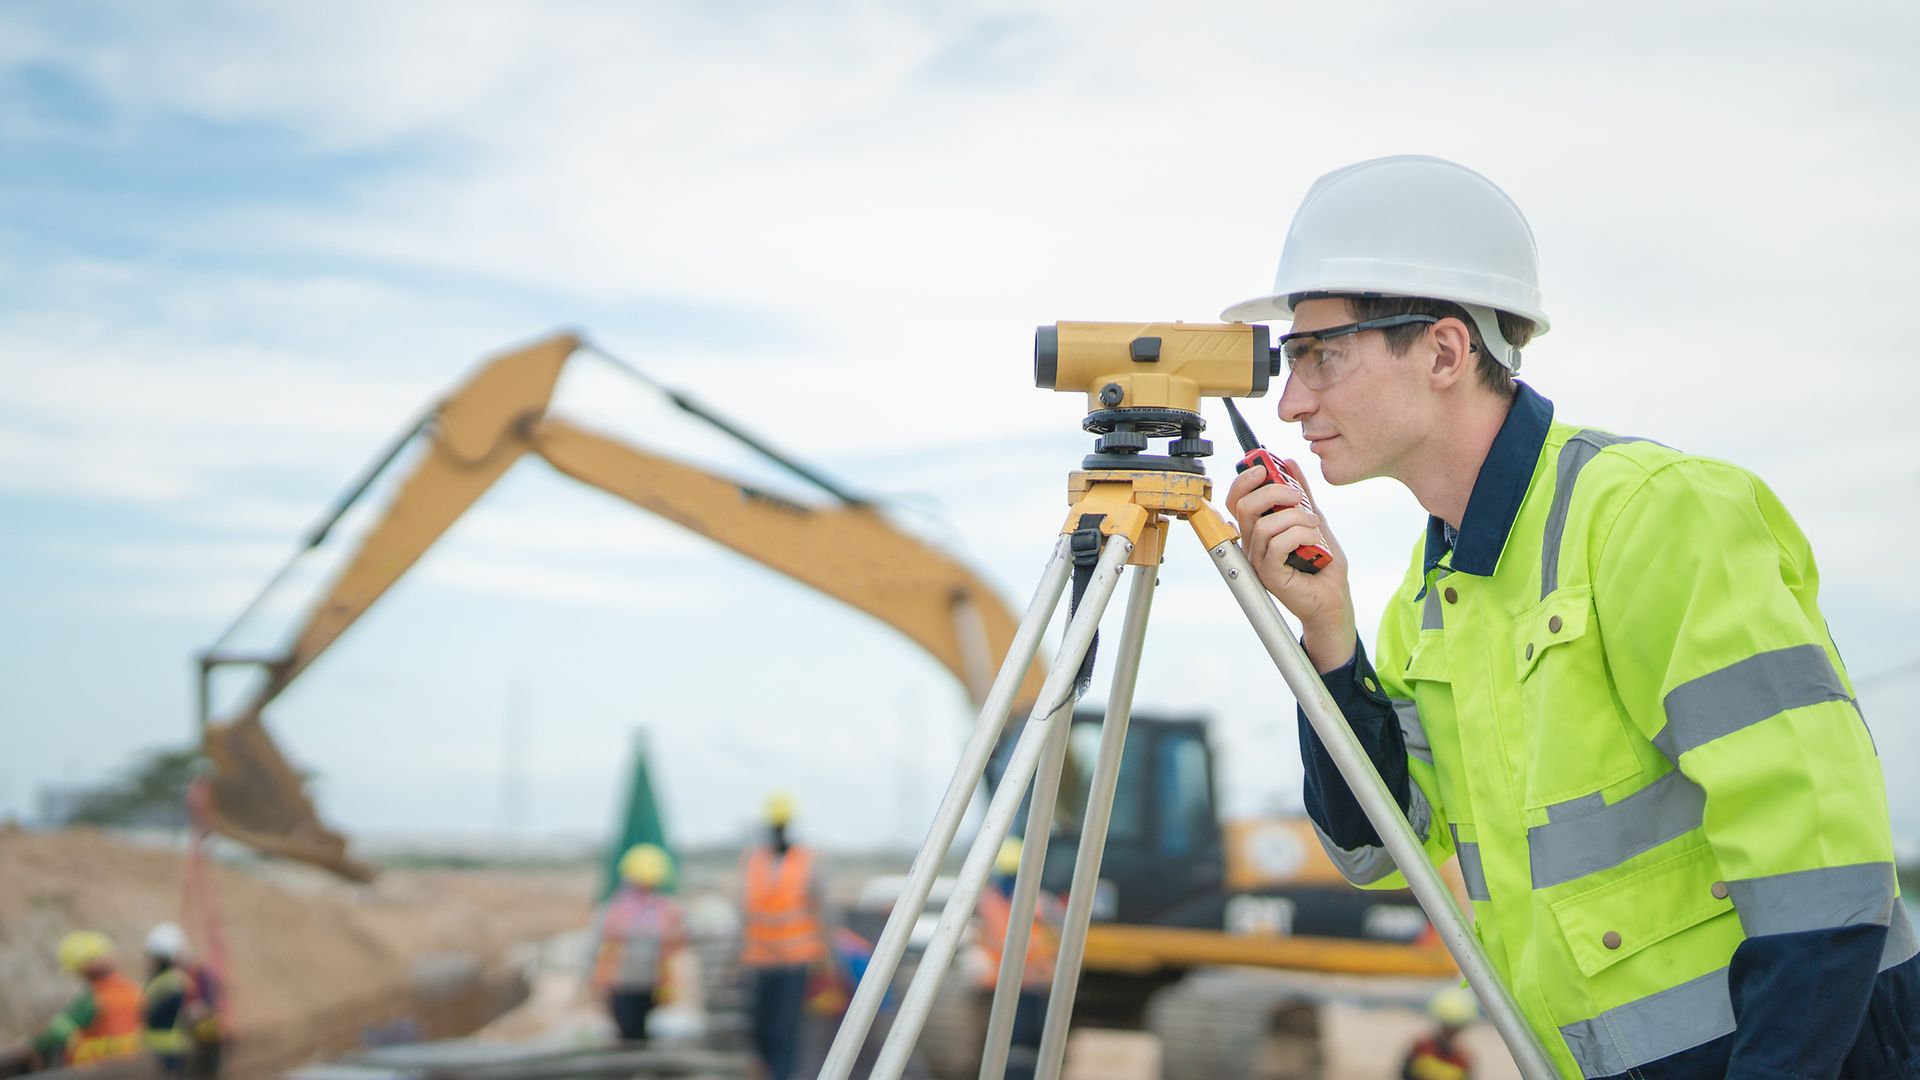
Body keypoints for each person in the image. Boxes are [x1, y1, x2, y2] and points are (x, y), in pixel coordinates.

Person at [1220, 155, 1919, 1078]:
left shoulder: (1652, 514)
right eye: (1292, 360)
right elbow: (1372, 850)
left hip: (1799, 1050)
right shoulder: (1424, 606)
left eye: (1321, 354)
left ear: (1442, 350)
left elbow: (1820, 853)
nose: (1291, 400)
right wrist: (1328, 636)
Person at [738, 792, 827, 1080]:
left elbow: (822, 909)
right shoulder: (754, 860)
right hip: (760, 960)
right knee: (760, 1028)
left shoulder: (807, 861)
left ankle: (782, 1076)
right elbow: (745, 910)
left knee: (784, 1030)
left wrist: (827, 957)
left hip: (794, 960)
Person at [973, 839, 1062, 1080]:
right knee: (1010, 1040)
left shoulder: (1037, 901)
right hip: (1002, 981)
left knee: (1022, 1041)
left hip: (1028, 983)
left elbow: (1054, 941)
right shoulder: (989, 900)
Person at [591, 843, 686, 1042]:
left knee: (641, 1034)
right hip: (623, 984)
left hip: (651, 983)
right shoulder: (618, 908)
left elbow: (676, 942)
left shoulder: (664, 908)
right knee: (628, 1033)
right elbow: (606, 940)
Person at [28, 930, 144, 1069]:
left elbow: (55, 1033)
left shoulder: (94, 1000)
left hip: (96, 1071)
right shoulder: (134, 991)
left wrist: (29, 1045)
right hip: (131, 1069)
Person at [1401, 987, 1478, 1080]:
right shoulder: (1421, 1047)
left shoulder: (1463, 1059)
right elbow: (1404, 1074)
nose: (1450, 1032)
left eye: (1454, 1028)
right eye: (1447, 1027)